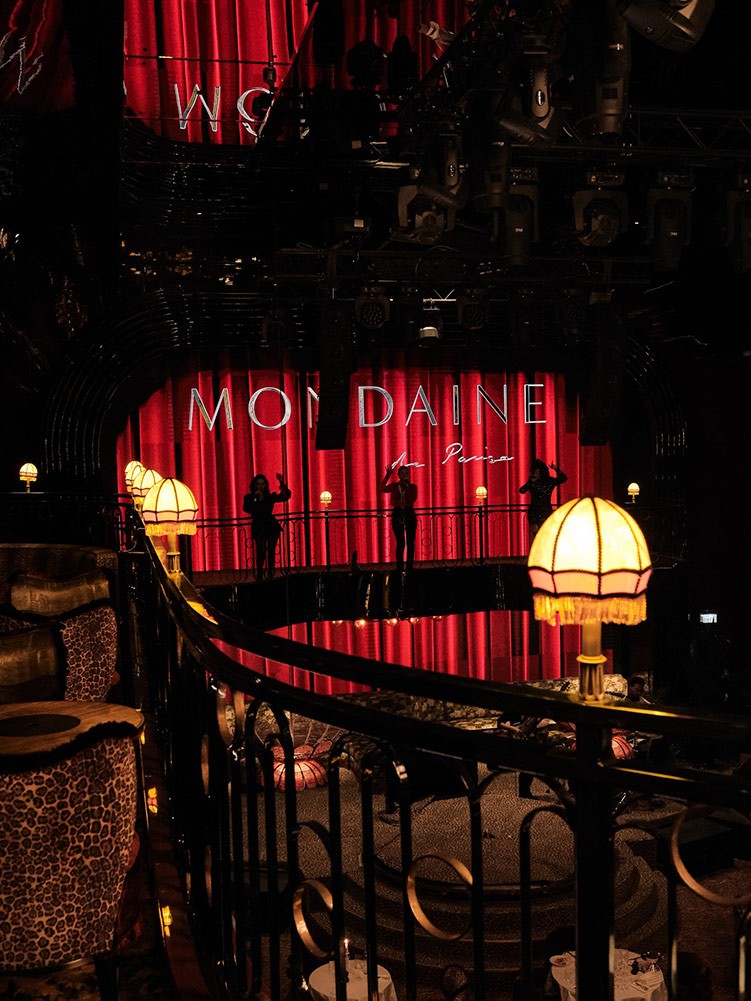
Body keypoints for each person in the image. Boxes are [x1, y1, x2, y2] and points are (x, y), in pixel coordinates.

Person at [242, 472, 291, 579]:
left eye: (263, 484)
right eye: (258, 484)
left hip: (270, 525)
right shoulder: (249, 497)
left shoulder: (270, 496)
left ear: (266, 485)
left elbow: (285, 496)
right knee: (261, 551)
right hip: (259, 525)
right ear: (254, 485)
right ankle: (260, 575)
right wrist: (257, 499)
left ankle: (270, 575)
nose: (261, 486)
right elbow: (247, 508)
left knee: (271, 551)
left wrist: (281, 482)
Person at [519, 458, 567, 541]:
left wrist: (530, 481)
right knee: (540, 534)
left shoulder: (546, 482)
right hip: (540, 510)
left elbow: (522, 490)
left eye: (536, 472)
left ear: (541, 472)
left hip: (541, 510)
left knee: (542, 534)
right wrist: (556, 469)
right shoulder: (546, 482)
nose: (534, 473)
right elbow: (522, 490)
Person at [381, 463, 418, 572]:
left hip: (409, 512)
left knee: (410, 542)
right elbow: (382, 488)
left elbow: (412, 499)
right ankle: (400, 567)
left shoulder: (413, 487)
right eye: (402, 473)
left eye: (406, 473)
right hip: (398, 513)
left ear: (409, 475)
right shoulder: (394, 486)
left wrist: (406, 487)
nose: (404, 475)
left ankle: (409, 566)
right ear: (399, 475)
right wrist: (388, 475)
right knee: (400, 542)